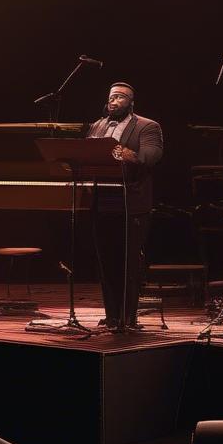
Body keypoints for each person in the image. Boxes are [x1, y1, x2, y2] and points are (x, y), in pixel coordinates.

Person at [86, 82, 163, 332]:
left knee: (128, 263)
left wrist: (123, 153)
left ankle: (128, 318)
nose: (114, 101)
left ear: (131, 102)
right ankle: (111, 317)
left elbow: (149, 156)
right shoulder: (97, 125)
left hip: (131, 202)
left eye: (120, 97)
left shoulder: (147, 126)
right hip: (102, 201)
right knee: (106, 261)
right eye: (111, 97)